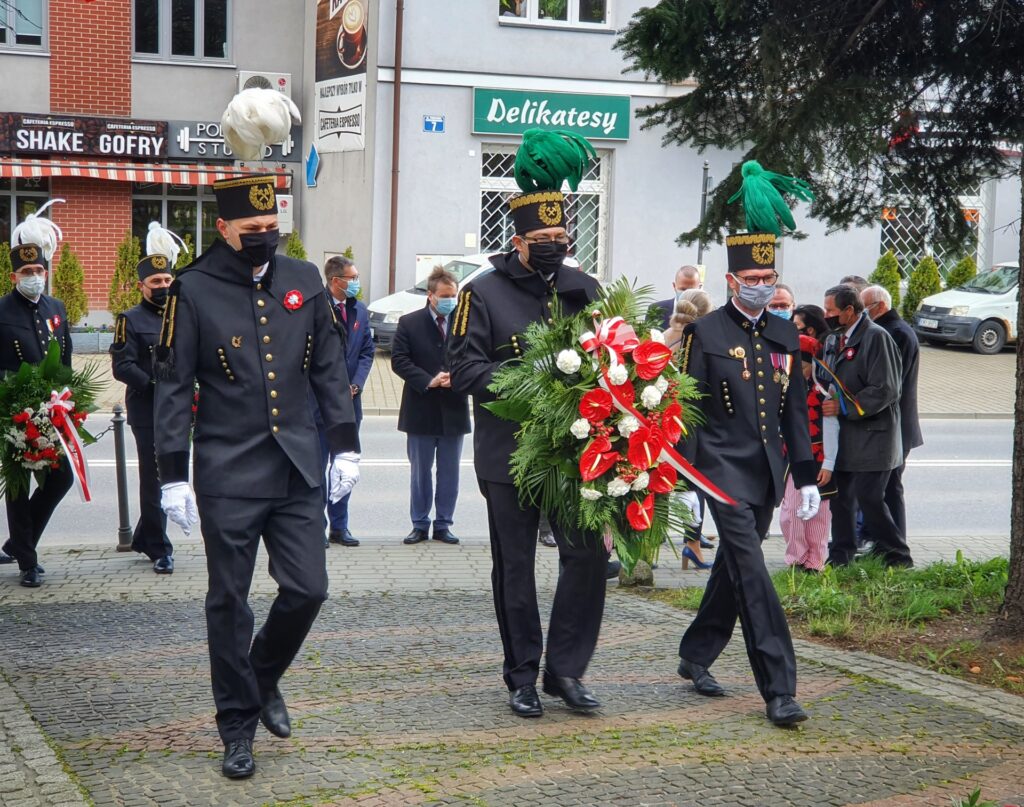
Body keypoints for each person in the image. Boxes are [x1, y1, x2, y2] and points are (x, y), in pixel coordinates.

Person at [154, 172, 361, 779]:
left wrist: (345, 447)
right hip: (227, 469)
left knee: (309, 589)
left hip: (296, 465)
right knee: (229, 601)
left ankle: (262, 675)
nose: (266, 239)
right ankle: (237, 729)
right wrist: (173, 474)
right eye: (253, 231)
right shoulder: (191, 289)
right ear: (222, 228)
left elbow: (327, 366)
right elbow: (174, 386)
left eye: (274, 229)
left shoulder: (301, 280)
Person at [449, 129, 609, 719]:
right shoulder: (481, 293)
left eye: (560, 237)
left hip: (576, 452)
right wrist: (530, 377)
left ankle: (565, 669)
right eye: (541, 238)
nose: (552, 246)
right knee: (515, 567)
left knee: (587, 556)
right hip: (509, 453)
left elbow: (611, 359)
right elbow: (464, 369)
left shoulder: (584, 288)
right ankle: (520, 675)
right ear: (517, 239)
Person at [675, 159, 820, 728]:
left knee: (733, 568)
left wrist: (806, 476)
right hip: (718, 470)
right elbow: (688, 408)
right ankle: (779, 688)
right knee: (754, 572)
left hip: (767, 471)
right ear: (732, 282)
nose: (762, 289)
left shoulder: (785, 331)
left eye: (769, 280)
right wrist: (685, 476)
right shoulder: (706, 333)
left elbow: (793, 411)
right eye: (752, 282)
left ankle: (694, 655)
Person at [0, 204, 73, 588]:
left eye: (39, 272)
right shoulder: (1, 310)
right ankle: (28, 561)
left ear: (46, 272)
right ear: (14, 275)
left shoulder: (56, 308)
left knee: (61, 480)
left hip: (53, 412)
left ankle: (17, 543)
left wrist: (70, 399)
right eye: (27, 273)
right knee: (18, 487)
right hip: (15, 413)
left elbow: (67, 357)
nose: (34, 278)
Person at [820, 284, 912, 568]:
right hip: (844, 436)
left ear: (849, 311)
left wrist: (844, 406)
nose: (827, 315)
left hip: (875, 437)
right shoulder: (836, 338)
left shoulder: (876, 337)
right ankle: (841, 555)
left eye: (831, 310)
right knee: (841, 499)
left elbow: (886, 389)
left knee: (870, 499)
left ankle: (898, 555)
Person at [109, 228, 179, 574]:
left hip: (178, 410)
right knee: (155, 477)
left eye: (167, 279)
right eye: (156, 281)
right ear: (142, 286)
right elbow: (122, 366)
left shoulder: (180, 315)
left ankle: (144, 535)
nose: (163, 286)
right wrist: (155, 384)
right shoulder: (130, 320)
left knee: (174, 474)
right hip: (147, 408)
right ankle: (159, 547)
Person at [391, 266, 470, 546]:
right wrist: (428, 380)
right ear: (431, 296)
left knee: (450, 472)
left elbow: (475, 357)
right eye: (446, 295)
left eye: (454, 295)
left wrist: (456, 377)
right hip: (420, 407)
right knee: (420, 471)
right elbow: (399, 361)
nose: (451, 300)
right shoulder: (409, 323)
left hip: (454, 408)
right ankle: (420, 523)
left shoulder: (465, 323)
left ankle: (444, 524)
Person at [315, 255, 375, 548]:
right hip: (319, 405)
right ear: (335, 281)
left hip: (350, 405)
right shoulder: (316, 309)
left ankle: (339, 527)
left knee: (345, 467)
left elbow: (367, 352)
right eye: (352, 278)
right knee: (317, 468)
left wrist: (356, 384)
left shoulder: (360, 311)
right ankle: (318, 527)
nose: (356, 283)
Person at [859, 284, 923, 540]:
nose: (863, 315)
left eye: (865, 309)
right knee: (883, 488)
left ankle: (894, 541)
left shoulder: (894, 333)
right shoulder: (891, 330)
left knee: (889, 488)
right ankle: (880, 538)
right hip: (893, 424)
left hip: (895, 425)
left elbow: (889, 383)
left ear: (880, 306)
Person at [664, 288, 716, 567]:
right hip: (693, 421)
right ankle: (692, 543)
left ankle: (646, 553)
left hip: (661, 419)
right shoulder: (703, 342)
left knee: (658, 484)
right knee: (697, 483)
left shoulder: (665, 337)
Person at [778, 335, 838, 572]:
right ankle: (796, 556)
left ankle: (815, 560)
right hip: (793, 459)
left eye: (801, 367)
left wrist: (829, 463)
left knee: (820, 513)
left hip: (820, 459)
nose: (796, 371)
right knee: (791, 510)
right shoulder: (783, 389)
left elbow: (832, 429)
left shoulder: (824, 392)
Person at [653, 265, 702, 329]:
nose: (687, 293)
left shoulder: (709, 314)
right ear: (674, 286)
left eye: (691, 290)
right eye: (683, 289)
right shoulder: (656, 310)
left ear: (700, 288)